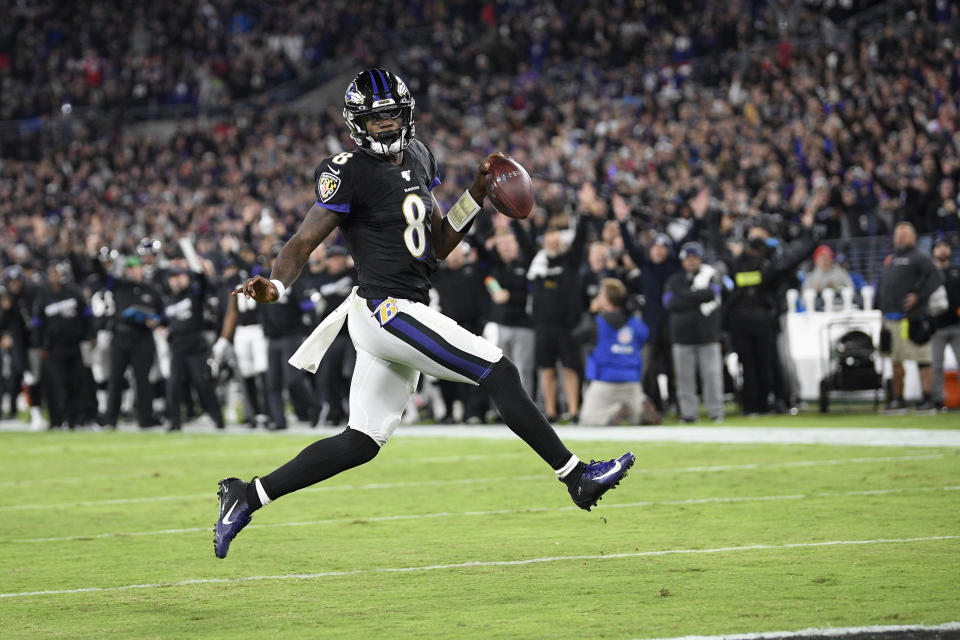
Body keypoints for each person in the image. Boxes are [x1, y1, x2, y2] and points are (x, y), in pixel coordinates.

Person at [214, 68, 634, 559]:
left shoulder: (418, 155)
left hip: (402, 306)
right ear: (357, 124)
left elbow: (436, 244)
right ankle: (576, 476)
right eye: (376, 119)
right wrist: (278, 283)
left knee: (362, 441)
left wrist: (474, 196)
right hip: (384, 309)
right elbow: (304, 240)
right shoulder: (347, 170)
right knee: (498, 371)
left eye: (393, 114)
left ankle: (248, 495)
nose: (387, 125)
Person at [877, 222, 942, 411]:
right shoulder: (891, 259)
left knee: (922, 359)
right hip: (891, 318)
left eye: (904, 234)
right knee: (896, 361)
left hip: (913, 319)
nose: (899, 237)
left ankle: (927, 398)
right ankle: (899, 398)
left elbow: (935, 278)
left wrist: (918, 296)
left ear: (914, 237)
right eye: (897, 234)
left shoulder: (919, 257)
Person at [94, 255, 164, 429]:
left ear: (142, 268)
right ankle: (111, 419)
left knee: (143, 380)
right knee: (115, 378)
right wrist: (95, 254)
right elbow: (101, 274)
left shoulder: (151, 289)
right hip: (121, 337)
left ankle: (145, 419)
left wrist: (156, 321)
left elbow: (162, 313)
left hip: (143, 337)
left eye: (134, 267)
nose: (131, 271)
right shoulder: (118, 286)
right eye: (128, 268)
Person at [663, 242, 724, 423]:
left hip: (707, 335)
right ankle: (689, 414)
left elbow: (712, 294)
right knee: (684, 379)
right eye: (688, 258)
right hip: (682, 336)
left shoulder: (710, 276)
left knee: (712, 376)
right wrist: (696, 297)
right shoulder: (674, 279)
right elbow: (669, 303)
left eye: (694, 258)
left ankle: (716, 411)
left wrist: (684, 296)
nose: (691, 261)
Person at [574, 277, 649, 426]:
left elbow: (577, 336)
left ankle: (614, 412)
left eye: (600, 295)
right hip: (632, 380)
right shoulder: (635, 322)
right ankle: (639, 408)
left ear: (607, 300)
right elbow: (644, 337)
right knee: (635, 421)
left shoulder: (595, 322)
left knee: (587, 420)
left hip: (604, 381)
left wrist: (590, 313)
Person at [32, 262, 96, 429]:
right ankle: (57, 420)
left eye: (59, 273)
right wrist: (40, 344)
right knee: (56, 384)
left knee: (76, 382)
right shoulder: (44, 295)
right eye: (54, 273)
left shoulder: (74, 292)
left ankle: (74, 419)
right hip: (54, 347)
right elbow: (38, 322)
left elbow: (87, 316)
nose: (57, 276)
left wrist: (90, 335)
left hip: (74, 345)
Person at [160, 265, 225, 431]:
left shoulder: (194, 293)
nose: (177, 280)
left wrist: (198, 271)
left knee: (203, 383)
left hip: (196, 345)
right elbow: (163, 322)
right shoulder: (168, 299)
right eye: (173, 277)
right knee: (173, 384)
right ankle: (174, 422)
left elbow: (204, 285)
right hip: (177, 346)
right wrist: (161, 329)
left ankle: (218, 419)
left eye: (180, 276)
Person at [929, 238, 960, 410]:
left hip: (957, 324)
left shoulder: (956, 271)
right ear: (933, 251)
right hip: (937, 327)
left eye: (945, 246)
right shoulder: (930, 273)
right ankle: (938, 400)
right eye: (939, 247)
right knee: (937, 365)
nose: (942, 250)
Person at [802, 244, 854, 308]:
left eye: (826, 258)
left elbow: (851, 288)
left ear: (831, 259)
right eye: (821, 258)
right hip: (819, 310)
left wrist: (836, 288)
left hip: (840, 304)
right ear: (816, 260)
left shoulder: (840, 272)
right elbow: (804, 300)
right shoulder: (811, 277)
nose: (824, 261)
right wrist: (815, 290)